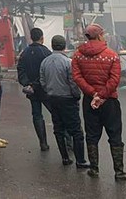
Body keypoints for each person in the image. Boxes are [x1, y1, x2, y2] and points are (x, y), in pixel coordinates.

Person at [72, 23, 126, 181]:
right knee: (115, 135)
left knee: (92, 135)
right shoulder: (112, 55)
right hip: (110, 101)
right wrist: (102, 95)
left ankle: (94, 169)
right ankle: (119, 172)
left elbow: (77, 77)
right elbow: (115, 79)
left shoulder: (77, 55)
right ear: (100, 35)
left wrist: (93, 94)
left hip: (89, 101)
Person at [39, 35, 90, 169]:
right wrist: (76, 95)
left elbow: (42, 81)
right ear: (64, 46)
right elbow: (73, 82)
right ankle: (80, 160)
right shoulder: (68, 62)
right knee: (76, 131)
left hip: (52, 99)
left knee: (59, 129)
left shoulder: (45, 62)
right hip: (67, 99)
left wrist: (50, 91)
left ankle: (65, 158)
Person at [17, 27, 52, 151]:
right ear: (42, 38)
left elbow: (20, 70)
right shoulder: (46, 52)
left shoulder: (24, 53)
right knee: (56, 113)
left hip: (31, 90)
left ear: (31, 38)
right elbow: (49, 71)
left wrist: (27, 84)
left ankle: (43, 143)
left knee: (37, 115)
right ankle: (66, 142)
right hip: (45, 89)